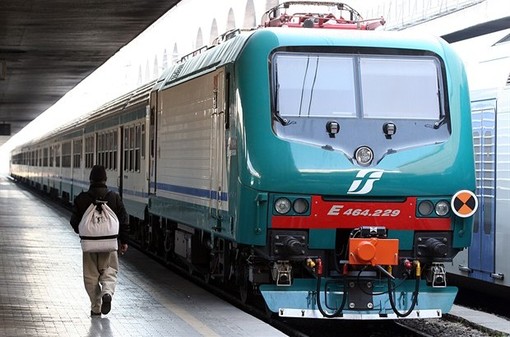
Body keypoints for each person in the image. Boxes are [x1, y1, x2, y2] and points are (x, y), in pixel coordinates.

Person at [70, 165, 129, 317]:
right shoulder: (114, 198)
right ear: (105, 179)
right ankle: (107, 293)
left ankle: (96, 308)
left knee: (91, 276)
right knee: (109, 271)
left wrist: (84, 232)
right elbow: (123, 221)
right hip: (109, 244)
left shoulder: (82, 199)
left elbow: (74, 221)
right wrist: (123, 241)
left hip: (89, 245)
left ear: (90, 180)